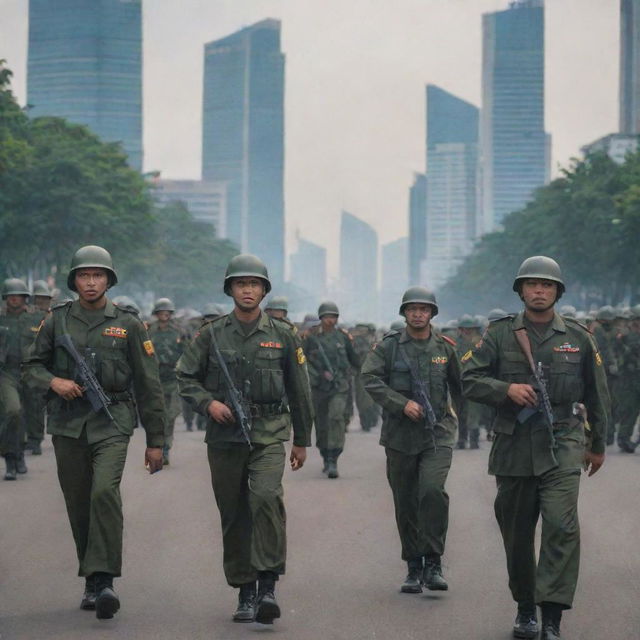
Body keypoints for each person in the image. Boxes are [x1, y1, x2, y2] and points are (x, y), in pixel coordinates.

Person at [461, 256, 609, 640]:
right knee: (517, 532)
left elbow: (598, 394)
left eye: (547, 285)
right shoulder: (499, 334)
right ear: (521, 291)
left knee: (562, 526)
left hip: (563, 439)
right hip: (514, 443)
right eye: (532, 285)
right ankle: (525, 608)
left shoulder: (577, 336)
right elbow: (469, 379)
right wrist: (505, 389)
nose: (539, 291)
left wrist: (598, 445)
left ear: (557, 292)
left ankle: (552, 617)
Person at [22, 245, 166, 620]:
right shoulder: (56, 321)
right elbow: (31, 367)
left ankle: (104, 581)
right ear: (74, 280)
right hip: (69, 424)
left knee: (104, 492)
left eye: (97, 275)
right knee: (78, 501)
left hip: (113, 421)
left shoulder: (130, 324)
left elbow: (149, 386)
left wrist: (156, 442)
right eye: (84, 276)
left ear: (108, 280)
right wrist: (54, 381)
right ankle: (91, 577)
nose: (90, 282)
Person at [176, 253, 313, 625]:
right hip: (224, 435)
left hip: (268, 432)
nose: (247, 290)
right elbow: (185, 378)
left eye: (254, 284)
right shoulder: (212, 334)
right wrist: (208, 404)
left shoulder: (283, 334)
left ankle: (268, 584)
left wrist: (302, 439)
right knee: (234, 512)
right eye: (241, 284)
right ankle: (244, 589)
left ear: (264, 291)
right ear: (230, 289)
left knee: (266, 498)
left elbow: (300, 391)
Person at [361, 287, 462, 594]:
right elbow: (369, 378)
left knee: (431, 491)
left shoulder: (445, 348)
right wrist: (399, 403)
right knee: (405, 501)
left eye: (424, 309)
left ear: (432, 313)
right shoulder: (389, 347)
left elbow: (463, 385)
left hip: (438, 433)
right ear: (404, 312)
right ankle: (413, 566)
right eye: (412, 309)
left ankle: (433, 562)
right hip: (400, 436)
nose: (418, 314)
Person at [304, 301, 360, 478]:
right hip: (319, 388)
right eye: (327, 316)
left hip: (339, 387)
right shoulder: (311, 338)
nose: (331, 320)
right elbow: (302, 361)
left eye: (334, 317)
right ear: (321, 318)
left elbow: (355, 361)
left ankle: (333, 458)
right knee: (321, 423)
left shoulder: (343, 338)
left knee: (336, 419)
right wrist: (318, 375)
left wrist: (358, 375)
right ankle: (325, 455)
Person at [0, 278, 46, 478]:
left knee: (28, 413)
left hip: (31, 371)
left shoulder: (37, 318)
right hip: (6, 373)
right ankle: (10, 458)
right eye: (11, 296)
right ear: (5, 298)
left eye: (18, 296)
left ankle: (19, 454)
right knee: (13, 411)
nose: (14, 299)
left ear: (25, 298)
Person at [147, 297, 184, 465]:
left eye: (167, 312)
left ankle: (166, 449)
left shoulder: (179, 331)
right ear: (156, 313)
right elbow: (144, 352)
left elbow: (187, 353)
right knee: (157, 415)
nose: (164, 315)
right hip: (155, 379)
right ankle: (157, 448)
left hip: (173, 378)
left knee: (171, 415)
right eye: (161, 312)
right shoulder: (149, 331)